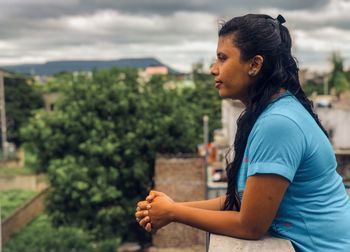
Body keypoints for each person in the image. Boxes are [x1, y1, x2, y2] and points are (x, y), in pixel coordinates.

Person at [135, 14, 350, 251]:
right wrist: (171, 207)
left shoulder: (278, 123)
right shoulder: (269, 114)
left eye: (222, 58)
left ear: (255, 64)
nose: (213, 69)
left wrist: (173, 212)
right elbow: (238, 203)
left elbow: (250, 226)